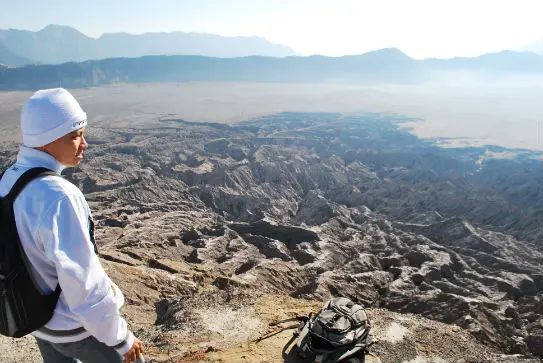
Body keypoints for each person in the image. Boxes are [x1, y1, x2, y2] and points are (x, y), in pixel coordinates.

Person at [0, 88, 144, 363]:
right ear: (47, 139)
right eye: (75, 135)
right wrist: (120, 338)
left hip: (38, 322)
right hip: (74, 328)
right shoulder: (59, 196)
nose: (84, 144)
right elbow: (82, 282)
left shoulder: (7, 180)